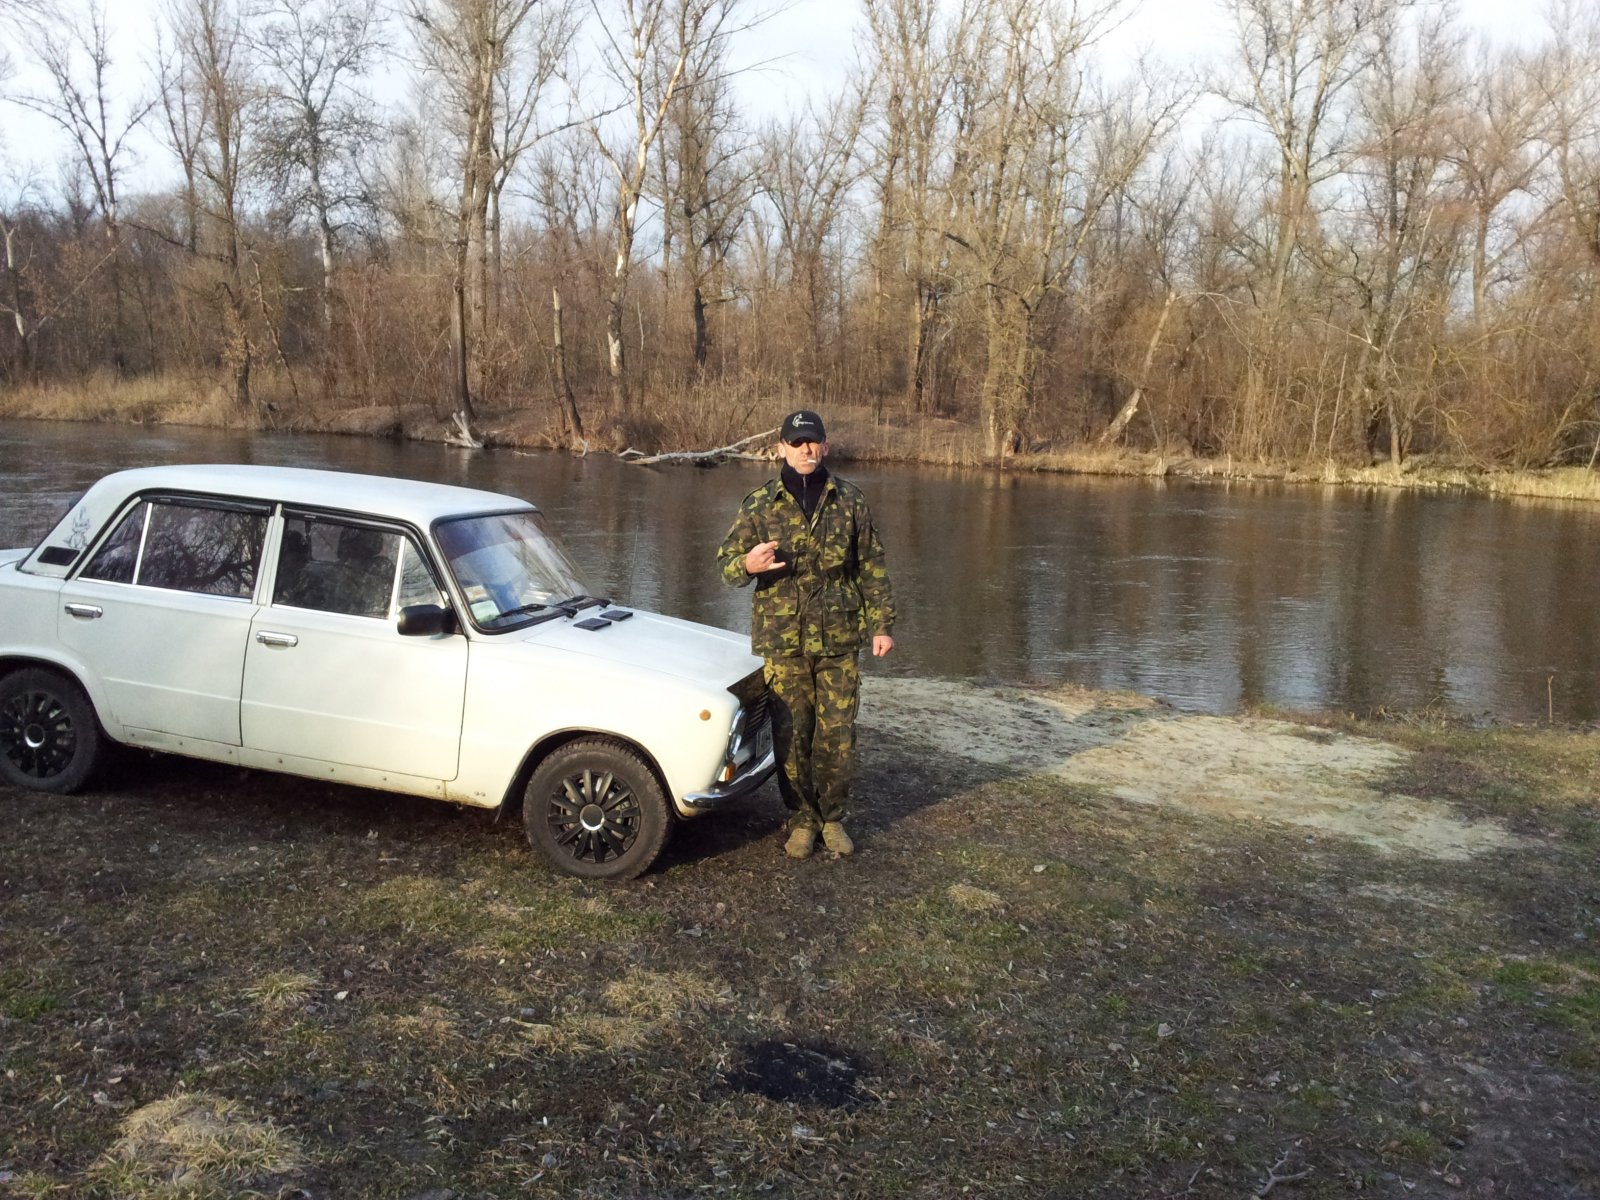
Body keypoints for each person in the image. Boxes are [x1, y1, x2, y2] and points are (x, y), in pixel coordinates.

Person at [717, 409, 895, 859]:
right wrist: (747, 565)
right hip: (784, 641)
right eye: (796, 443)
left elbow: (871, 566)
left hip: (839, 639)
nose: (805, 450)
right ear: (781, 448)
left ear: (825, 447)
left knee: (837, 735)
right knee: (791, 734)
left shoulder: (849, 500)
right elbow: (726, 567)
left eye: (812, 442)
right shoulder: (760, 504)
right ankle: (801, 820)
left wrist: (882, 625)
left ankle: (832, 819)